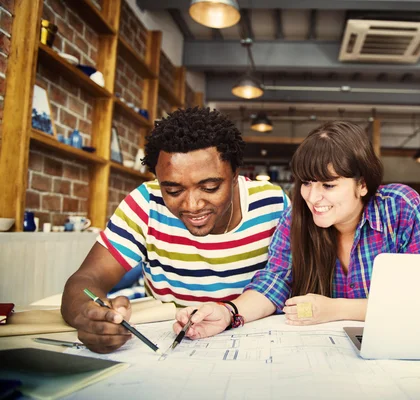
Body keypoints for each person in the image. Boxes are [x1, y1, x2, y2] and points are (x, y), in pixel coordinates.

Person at [173, 120, 420, 340]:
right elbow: (274, 282)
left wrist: (334, 309)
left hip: (396, 346)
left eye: (328, 185)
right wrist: (228, 313)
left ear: (363, 185)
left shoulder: (400, 207)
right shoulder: (297, 216)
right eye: (307, 183)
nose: (313, 197)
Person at [61, 107, 289, 353]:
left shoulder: (272, 205)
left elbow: (294, 281)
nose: (192, 206)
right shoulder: (145, 203)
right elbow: (85, 280)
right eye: (173, 191)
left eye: (210, 187)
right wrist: (90, 316)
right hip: (170, 345)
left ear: (235, 175)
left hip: (258, 343)